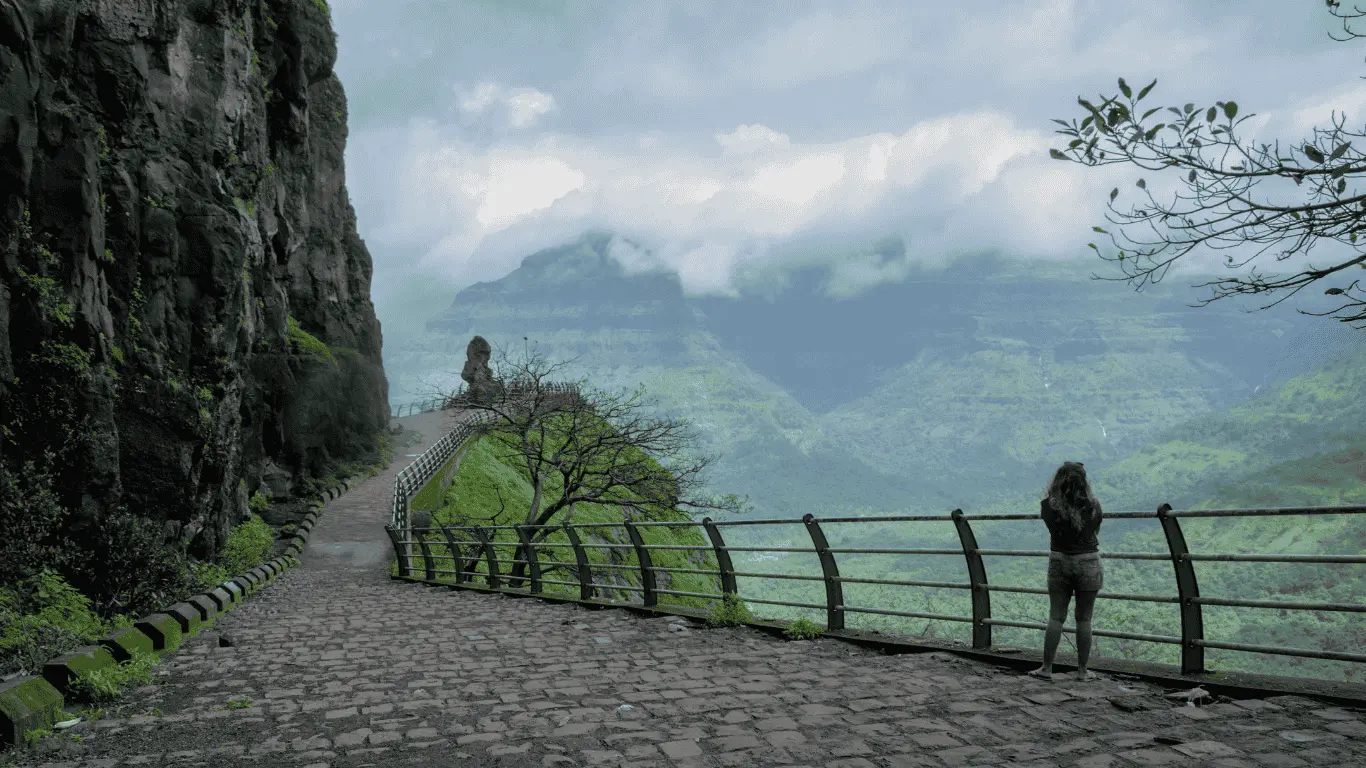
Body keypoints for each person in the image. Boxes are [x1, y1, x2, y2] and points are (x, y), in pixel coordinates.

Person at [1028, 461, 1104, 682]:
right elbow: (1094, 530)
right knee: (1084, 619)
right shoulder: (1094, 505)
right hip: (1088, 562)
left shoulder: (1047, 506)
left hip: (1059, 561)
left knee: (1056, 617)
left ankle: (1047, 668)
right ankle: (1082, 671)